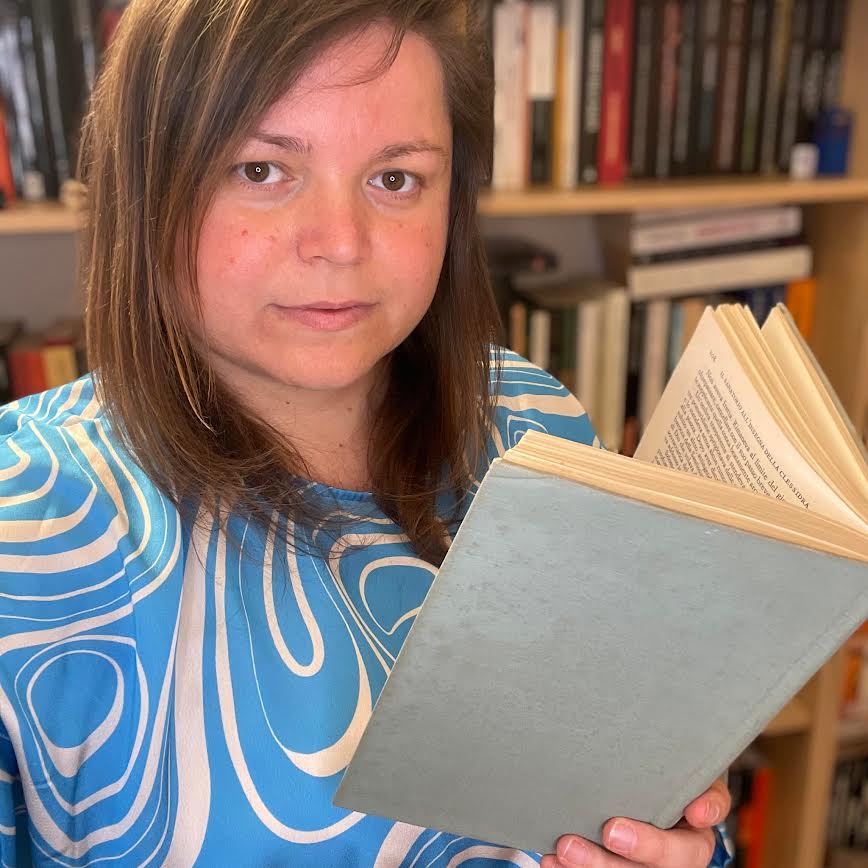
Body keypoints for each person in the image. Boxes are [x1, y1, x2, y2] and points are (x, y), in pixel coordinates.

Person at [0, 1, 734, 865]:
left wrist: (673, 844)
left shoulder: (532, 419)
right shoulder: (28, 523)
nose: (341, 243)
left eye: (396, 179)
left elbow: (631, 786)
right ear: (146, 185)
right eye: (262, 170)